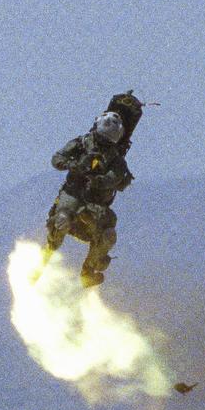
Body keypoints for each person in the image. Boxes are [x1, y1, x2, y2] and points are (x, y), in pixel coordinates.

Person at [44, 93, 141, 287]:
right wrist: (76, 165)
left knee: (108, 236)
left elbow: (117, 178)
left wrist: (100, 180)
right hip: (73, 194)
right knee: (62, 219)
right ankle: (48, 250)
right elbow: (57, 159)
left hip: (95, 206)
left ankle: (88, 271)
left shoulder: (116, 160)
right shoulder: (82, 143)